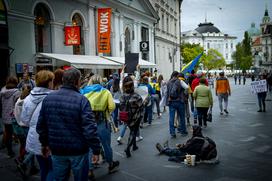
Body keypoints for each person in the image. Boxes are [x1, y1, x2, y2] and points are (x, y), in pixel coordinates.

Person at [36, 69, 101, 181]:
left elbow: (41, 125)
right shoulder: (82, 100)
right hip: (78, 150)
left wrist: (44, 143)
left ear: (63, 80)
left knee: (60, 178)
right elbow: (89, 129)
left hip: (57, 149)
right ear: (77, 81)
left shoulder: (49, 98)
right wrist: (96, 150)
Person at [80, 74, 119, 179]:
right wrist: (106, 112)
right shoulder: (105, 91)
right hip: (102, 122)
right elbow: (112, 106)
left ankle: (90, 170)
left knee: (89, 147)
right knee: (106, 145)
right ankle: (110, 164)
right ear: (101, 81)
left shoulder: (83, 92)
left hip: (87, 123)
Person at [21, 70, 54, 181]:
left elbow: (24, 121)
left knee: (44, 168)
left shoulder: (28, 98)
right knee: (53, 169)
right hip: (50, 138)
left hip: (34, 138)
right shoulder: (53, 98)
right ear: (49, 82)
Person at [120, 76, 144, 157]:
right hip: (135, 117)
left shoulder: (122, 96)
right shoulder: (136, 96)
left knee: (132, 130)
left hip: (126, 117)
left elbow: (121, 106)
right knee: (133, 132)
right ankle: (128, 148)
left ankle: (134, 146)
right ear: (132, 85)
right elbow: (141, 106)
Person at [0, 76, 21, 158]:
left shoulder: (2, 91)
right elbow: (18, 106)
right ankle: (22, 153)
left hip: (5, 116)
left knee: (8, 134)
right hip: (13, 116)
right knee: (19, 134)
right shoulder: (17, 93)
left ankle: (9, 151)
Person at [166, 71, 189, 138]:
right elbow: (187, 87)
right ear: (177, 75)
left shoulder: (168, 82)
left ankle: (172, 133)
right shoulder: (180, 81)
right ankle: (183, 131)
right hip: (180, 101)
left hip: (171, 102)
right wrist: (184, 94)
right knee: (182, 117)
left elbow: (166, 92)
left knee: (171, 118)